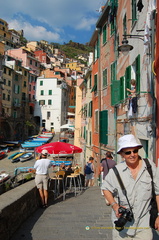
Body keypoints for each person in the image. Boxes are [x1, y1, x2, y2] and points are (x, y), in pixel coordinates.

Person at [101, 134, 159, 239]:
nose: (132, 155)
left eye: (135, 151)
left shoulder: (150, 167)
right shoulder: (115, 171)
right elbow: (105, 189)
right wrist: (115, 206)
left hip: (144, 225)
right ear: (122, 154)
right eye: (128, 152)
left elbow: (158, 192)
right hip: (122, 227)